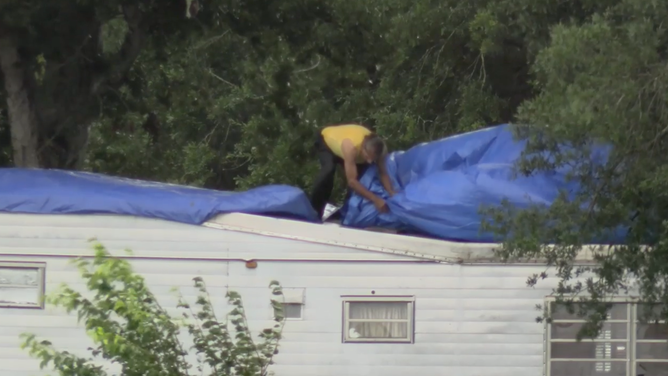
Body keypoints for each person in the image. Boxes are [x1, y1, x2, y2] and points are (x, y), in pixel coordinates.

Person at [309, 123, 395, 219]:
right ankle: (314, 210)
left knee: (362, 178)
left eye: (373, 159)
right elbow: (352, 182)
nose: (369, 161)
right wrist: (375, 199)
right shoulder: (351, 147)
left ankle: (344, 212)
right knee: (328, 170)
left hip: (349, 151)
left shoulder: (380, 149)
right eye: (367, 157)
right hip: (327, 142)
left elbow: (383, 173)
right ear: (363, 148)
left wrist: (391, 193)